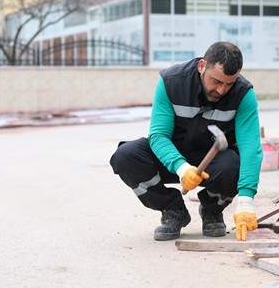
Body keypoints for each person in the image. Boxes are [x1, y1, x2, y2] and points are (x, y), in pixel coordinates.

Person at [110, 41, 263, 241]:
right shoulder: (171, 82)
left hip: (212, 160)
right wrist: (182, 168)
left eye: (229, 84)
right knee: (125, 157)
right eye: (216, 81)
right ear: (202, 66)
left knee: (234, 165)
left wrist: (246, 202)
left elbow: (251, 148)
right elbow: (158, 136)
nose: (222, 90)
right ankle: (173, 210)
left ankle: (212, 209)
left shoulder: (243, 94)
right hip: (170, 155)